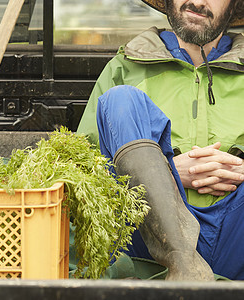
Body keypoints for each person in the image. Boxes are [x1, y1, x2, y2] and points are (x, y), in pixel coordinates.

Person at [77, 0, 244, 280]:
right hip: (146, 240)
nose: (198, 1)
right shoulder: (124, 68)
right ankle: (182, 265)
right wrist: (162, 174)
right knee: (122, 99)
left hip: (235, 235)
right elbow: (82, 176)